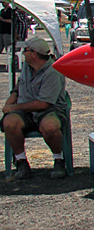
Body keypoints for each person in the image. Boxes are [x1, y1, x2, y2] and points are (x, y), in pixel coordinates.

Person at [2, 37, 70, 180]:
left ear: (34, 54)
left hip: (49, 110)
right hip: (25, 111)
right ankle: (21, 162)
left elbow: (43, 104)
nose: (23, 53)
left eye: (25, 51)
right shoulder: (27, 66)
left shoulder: (53, 72)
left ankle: (59, 160)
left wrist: (14, 106)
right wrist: (11, 100)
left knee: (50, 126)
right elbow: (19, 85)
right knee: (9, 122)